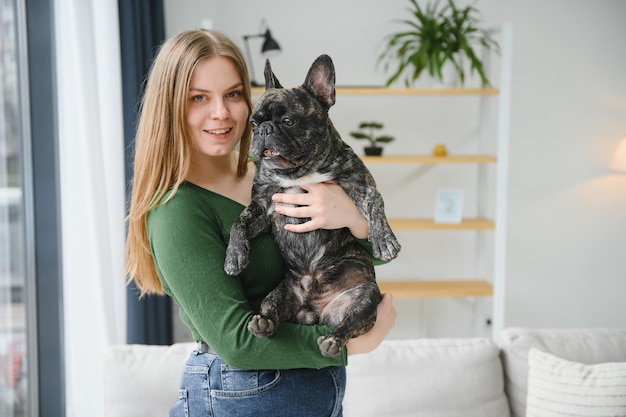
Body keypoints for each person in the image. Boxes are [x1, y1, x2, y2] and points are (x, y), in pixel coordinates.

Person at [124, 29, 397, 417]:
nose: (221, 112)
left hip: (315, 387)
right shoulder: (177, 210)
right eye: (198, 98)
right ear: (170, 107)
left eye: (233, 94)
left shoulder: (271, 174)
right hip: (240, 395)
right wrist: (353, 344)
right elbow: (235, 341)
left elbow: (357, 259)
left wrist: (354, 219)